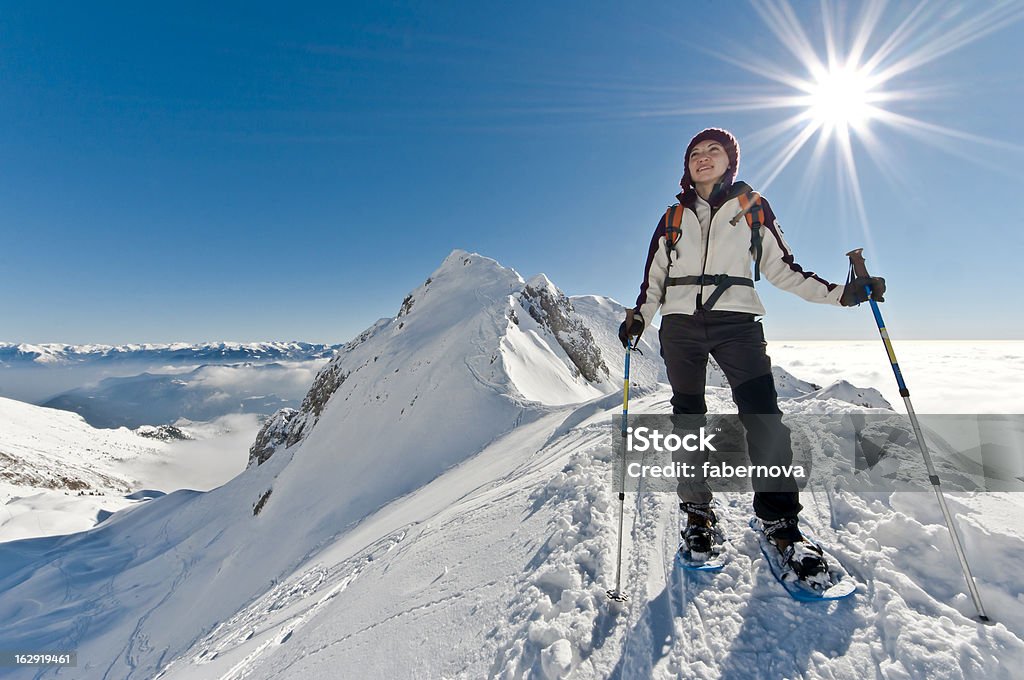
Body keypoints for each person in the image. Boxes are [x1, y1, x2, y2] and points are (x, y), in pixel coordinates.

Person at [618, 128, 884, 580]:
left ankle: (781, 521)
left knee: (764, 418)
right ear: (687, 165)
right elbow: (654, 279)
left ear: (730, 160)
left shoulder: (752, 207)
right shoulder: (672, 217)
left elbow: (783, 269)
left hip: (737, 324)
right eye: (695, 153)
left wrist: (842, 295)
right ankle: (698, 512)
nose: (703, 158)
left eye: (713, 151)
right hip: (680, 327)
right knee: (688, 420)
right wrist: (639, 319)